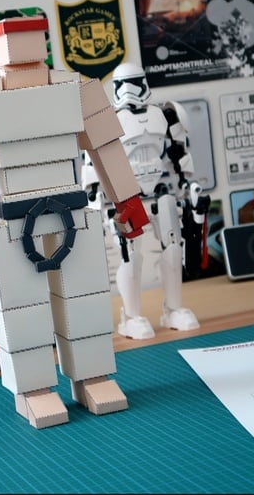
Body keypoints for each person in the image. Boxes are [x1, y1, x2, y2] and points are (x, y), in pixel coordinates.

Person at [0, 16, 149, 429]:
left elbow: (107, 147)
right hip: (13, 220)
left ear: (42, 40)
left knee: (86, 300)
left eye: (29, 37)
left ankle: (93, 377)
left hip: (72, 212)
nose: (21, 47)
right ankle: (34, 389)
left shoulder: (76, 89)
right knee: (20, 308)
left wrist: (127, 202)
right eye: (11, 39)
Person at [82, 62, 202, 341]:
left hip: (159, 190)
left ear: (145, 82)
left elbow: (179, 155)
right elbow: (92, 163)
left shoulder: (167, 114)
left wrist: (188, 185)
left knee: (173, 247)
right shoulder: (104, 120)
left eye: (135, 83)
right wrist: (94, 199)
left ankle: (173, 309)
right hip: (124, 195)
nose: (129, 91)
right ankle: (131, 316)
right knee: (130, 255)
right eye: (123, 85)